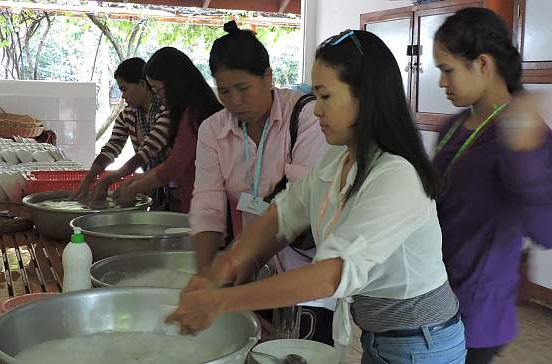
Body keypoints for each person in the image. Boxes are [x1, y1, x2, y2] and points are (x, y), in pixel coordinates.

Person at [168, 30, 466, 363]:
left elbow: (332, 274)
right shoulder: (339, 158)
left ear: (365, 97)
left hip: (420, 342)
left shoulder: (396, 174)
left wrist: (221, 301)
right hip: (381, 336)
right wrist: (221, 267)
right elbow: (284, 213)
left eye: (325, 96)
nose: (317, 110)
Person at [188, 21, 332, 343]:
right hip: (248, 271)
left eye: (243, 88)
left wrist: (239, 262)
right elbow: (208, 205)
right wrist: (205, 275)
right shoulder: (213, 130)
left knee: (299, 349)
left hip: (303, 272)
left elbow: (297, 208)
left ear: (268, 77)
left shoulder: (307, 117)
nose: (235, 101)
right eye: (224, 91)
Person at [432, 8, 552, 364]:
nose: (441, 82)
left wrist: (525, 155)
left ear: (483, 64)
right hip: (434, 299)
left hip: (477, 316)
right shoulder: (452, 127)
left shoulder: (527, 134)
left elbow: (546, 230)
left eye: (447, 69)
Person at [111, 47, 223, 212]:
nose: (159, 98)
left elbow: (175, 166)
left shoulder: (194, 114)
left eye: (158, 90)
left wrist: (134, 186)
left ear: (175, 84)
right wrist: (136, 180)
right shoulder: (192, 112)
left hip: (209, 208)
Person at [71, 57, 171, 201]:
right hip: (153, 184)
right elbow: (112, 147)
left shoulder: (165, 110)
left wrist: (111, 179)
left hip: (177, 187)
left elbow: (147, 151)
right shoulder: (127, 115)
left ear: (142, 84)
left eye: (125, 89)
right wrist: (88, 179)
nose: (123, 96)